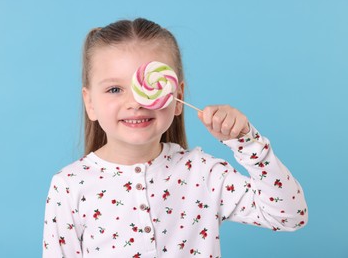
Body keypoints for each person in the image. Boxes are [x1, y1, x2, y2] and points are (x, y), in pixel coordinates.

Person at [42, 18, 308, 258]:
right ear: (90, 103)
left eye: (149, 87)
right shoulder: (70, 185)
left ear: (177, 97)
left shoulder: (203, 174)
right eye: (114, 89)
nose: (136, 102)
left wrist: (248, 144)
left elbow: (290, 217)